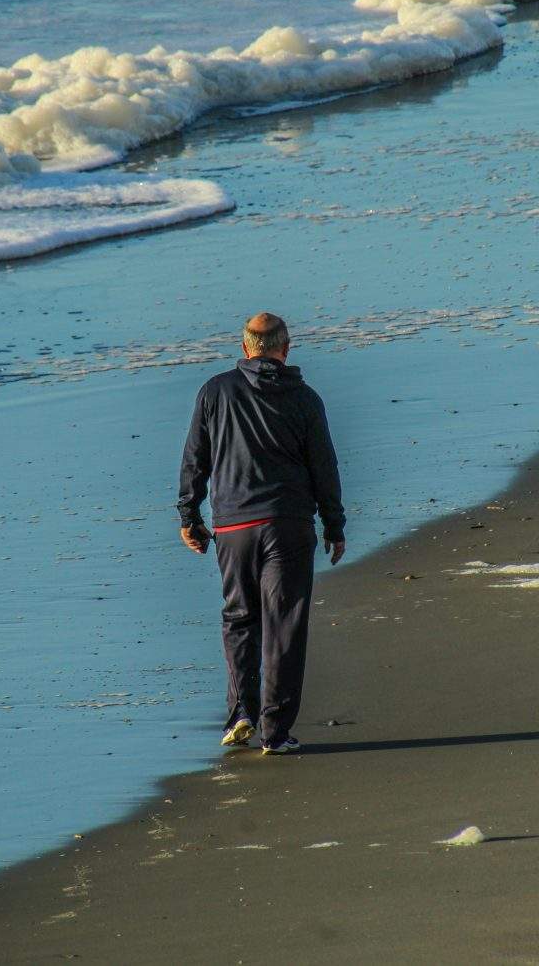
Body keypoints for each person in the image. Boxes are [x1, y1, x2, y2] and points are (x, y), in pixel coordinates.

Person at [177, 312, 346, 755]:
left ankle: (241, 713)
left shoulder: (215, 391)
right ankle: (275, 731)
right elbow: (324, 466)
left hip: (233, 528)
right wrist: (334, 524)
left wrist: (188, 514)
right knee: (284, 625)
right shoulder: (306, 399)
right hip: (287, 524)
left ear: (246, 348)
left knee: (239, 619)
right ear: (285, 349)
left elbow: (196, 457)